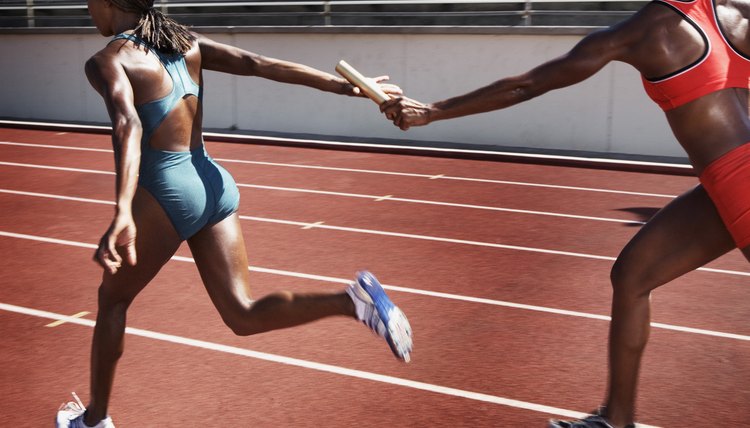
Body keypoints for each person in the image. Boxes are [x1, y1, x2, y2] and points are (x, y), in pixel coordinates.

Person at [381, 0, 750, 426]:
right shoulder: (736, 14)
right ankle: (617, 418)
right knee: (633, 275)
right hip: (721, 185)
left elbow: (527, 85)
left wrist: (430, 111)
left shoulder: (646, 29)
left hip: (735, 181)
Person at [55, 1, 413, 427]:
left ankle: (94, 421)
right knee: (241, 313)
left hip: (167, 190)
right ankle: (352, 301)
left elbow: (128, 126)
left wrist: (122, 211)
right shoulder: (185, 43)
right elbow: (256, 63)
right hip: (212, 181)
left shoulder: (108, 60)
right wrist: (345, 86)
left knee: (112, 301)